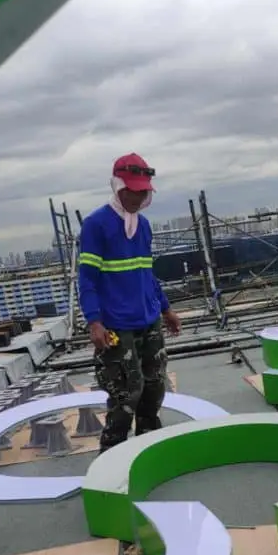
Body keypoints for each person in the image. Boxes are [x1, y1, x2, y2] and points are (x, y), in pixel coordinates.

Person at [78, 153, 181, 452]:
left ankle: (150, 450)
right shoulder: (96, 225)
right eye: (132, 190)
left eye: (143, 191)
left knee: (153, 388)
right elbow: (87, 279)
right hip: (114, 325)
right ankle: (112, 458)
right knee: (126, 394)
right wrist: (93, 321)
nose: (137, 197)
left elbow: (147, 274)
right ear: (118, 186)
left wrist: (166, 308)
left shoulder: (143, 226)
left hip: (148, 320)